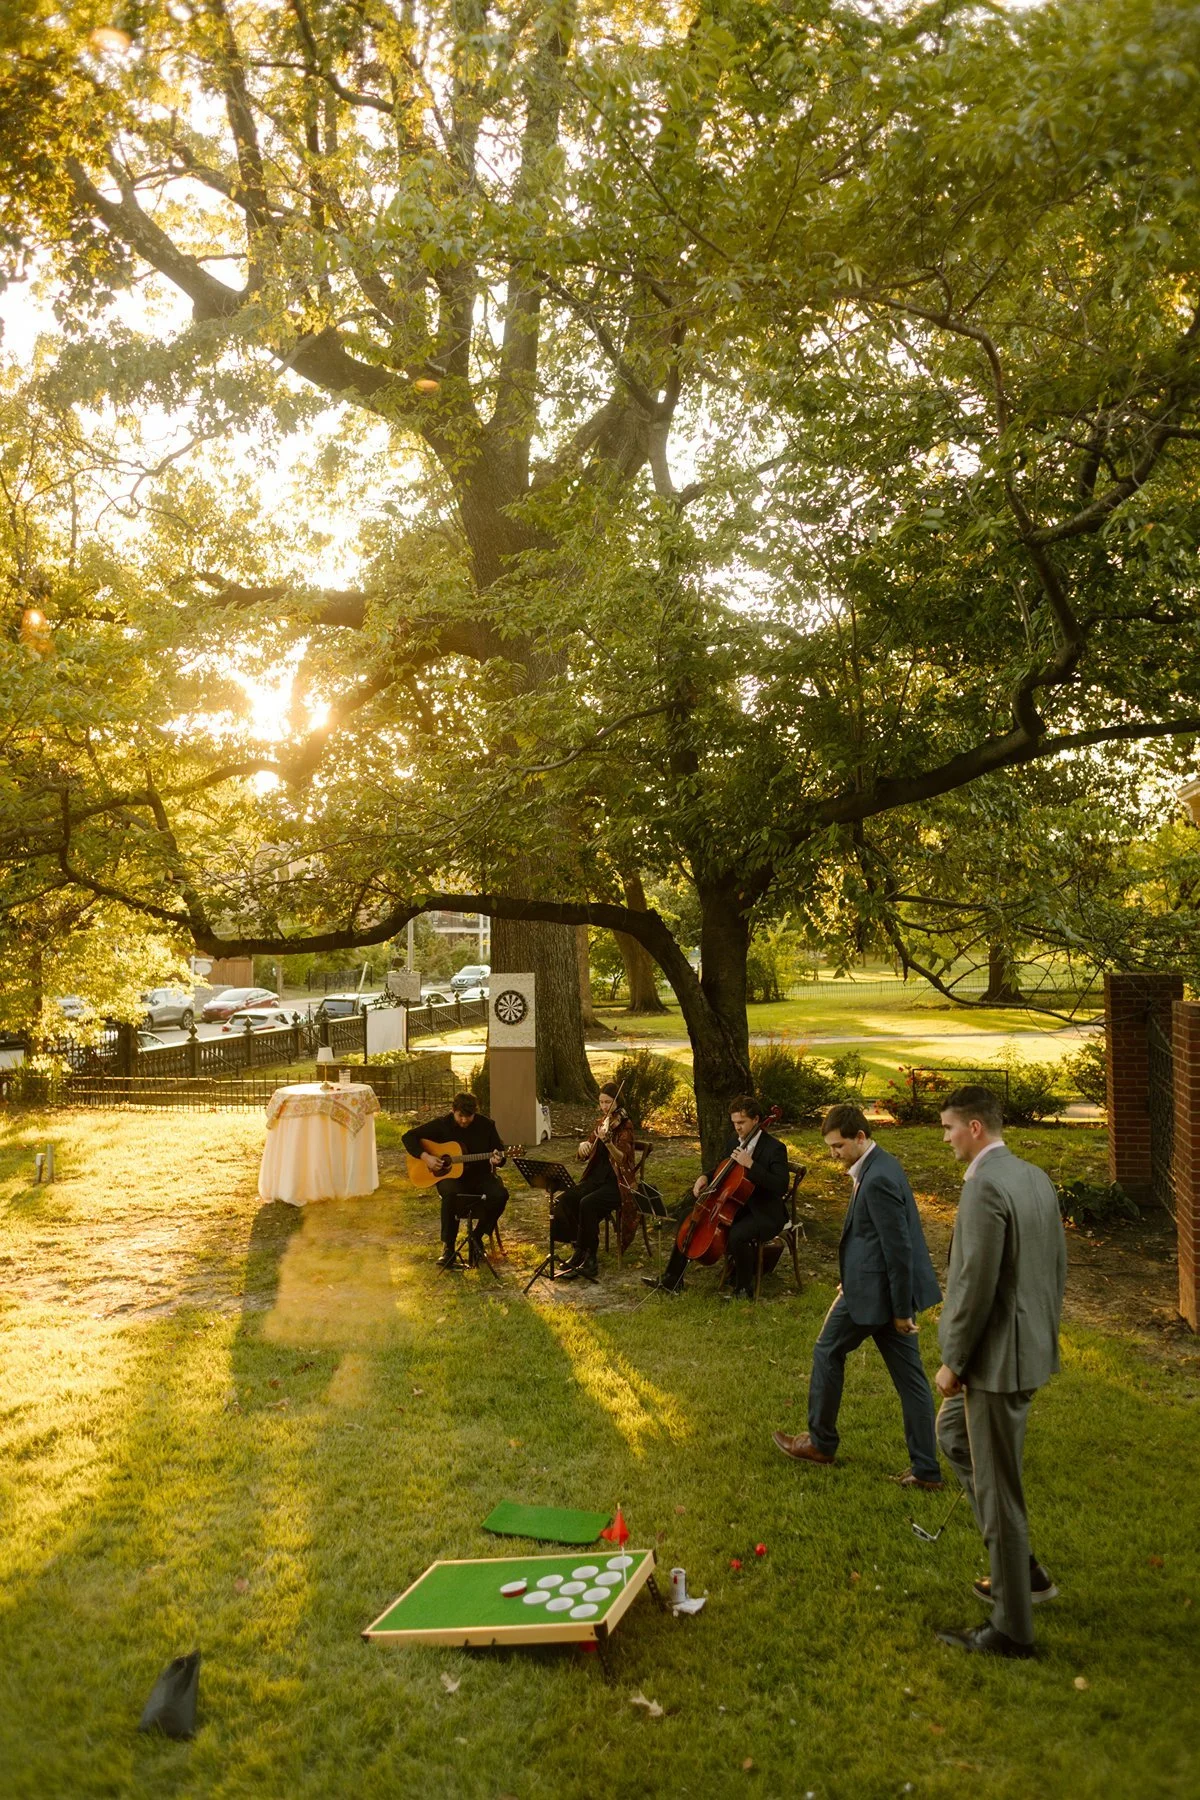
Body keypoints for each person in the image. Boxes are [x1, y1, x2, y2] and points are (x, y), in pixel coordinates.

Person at [932, 1085, 1066, 1660]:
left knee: (999, 1489)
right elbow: (1056, 1267)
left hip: (994, 1363)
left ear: (976, 1129)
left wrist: (953, 1361)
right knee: (950, 1434)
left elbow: (973, 1285)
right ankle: (1022, 1571)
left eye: (949, 1128)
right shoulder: (1032, 1175)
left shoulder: (985, 1185)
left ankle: (1012, 1626)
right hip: (1027, 1349)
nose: (945, 1138)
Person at [772, 1104, 943, 1487]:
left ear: (860, 1138)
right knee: (912, 1382)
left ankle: (820, 1443)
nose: (833, 1154)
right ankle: (926, 1471)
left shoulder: (878, 1178)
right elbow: (872, 1241)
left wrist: (900, 1311)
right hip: (870, 1287)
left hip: (876, 1296)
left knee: (827, 1351)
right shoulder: (880, 1164)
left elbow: (898, 1250)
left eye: (838, 1146)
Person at [646, 1095, 790, 1299]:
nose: (737, 1128)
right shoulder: (734, 1140)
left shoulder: (774, 1148)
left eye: (742, 1122)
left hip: (763, 1211)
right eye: (734, 1123)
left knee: (738, 1234)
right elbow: (723, 1167)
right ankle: (673, 1279)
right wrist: (705, 1176)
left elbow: (780, 1186)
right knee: (689, 1217)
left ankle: (743, 1289)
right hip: (735, 1205)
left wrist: (751, 1165)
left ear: (756, 1119)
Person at [402, 1092, 508, 1269]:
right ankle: (448, 1249)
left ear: (475, 1113)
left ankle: (477, 1236)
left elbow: (499, 1152)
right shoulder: (442, 1125)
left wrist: (499, 1159)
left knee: (500, 1195)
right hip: (450, 1177)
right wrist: (426, 1157)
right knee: (451, 1193)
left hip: (479, 1176)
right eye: (461, 1116)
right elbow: (408, 1137)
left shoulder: (486, 1125)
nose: (465, 1120)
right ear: (453, 1111)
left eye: (469, 1117)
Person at [553, 1083, 638, 1283]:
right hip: (596, 1179)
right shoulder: (602, 1123)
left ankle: (590, 1258)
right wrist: (583, 1145)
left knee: (587, 1203)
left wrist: (608, 1142)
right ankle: (579, 1250)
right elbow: (588, 1147)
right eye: (601, 1102)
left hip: (616, 1183)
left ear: (618, 1102)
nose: (604, 1106)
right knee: (567, 1199)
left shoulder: (625, 1126)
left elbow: (622, 1159)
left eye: (608, 1102)